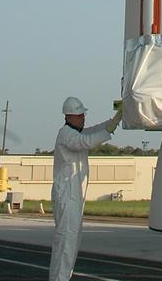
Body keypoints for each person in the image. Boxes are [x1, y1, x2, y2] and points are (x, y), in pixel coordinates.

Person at [49, 95, 122, 281]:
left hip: (74, 195)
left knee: (71, 241)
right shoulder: (66, 135)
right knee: (66, 241)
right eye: (80, 115)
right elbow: (87, 141)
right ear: (70, 116)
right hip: (67, 195)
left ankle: (63, 277)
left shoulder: (75, 133)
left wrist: (114, 120)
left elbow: (92, 132)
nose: (83, 118)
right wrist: (111, 127)